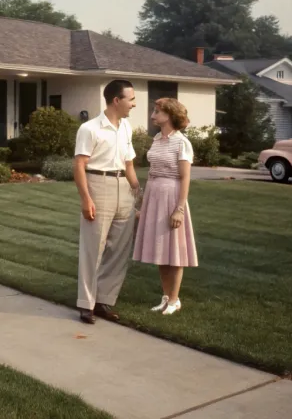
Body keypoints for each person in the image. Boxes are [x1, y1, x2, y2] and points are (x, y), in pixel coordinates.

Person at [73, 80, 140, 324]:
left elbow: (130, 164)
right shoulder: (90, 129)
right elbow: (79, 165)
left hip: (123, 187)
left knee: (119, 250)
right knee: (93, 249)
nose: (134, 104)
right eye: (131, 99)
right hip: (98, 186)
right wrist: (86, 198)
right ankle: (86, 304)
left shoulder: (126, 128)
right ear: (116, 100)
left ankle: (104, 301)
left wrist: (138, 195)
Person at [133, 97, 198, 315]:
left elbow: (185, 177)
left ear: (169, 115)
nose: (153, 115)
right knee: (160, 250)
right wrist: (142, 203)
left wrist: (179, 209)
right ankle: (165, 296)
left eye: (157, 111)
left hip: (172, 195)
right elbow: (151, 172)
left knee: (175, 250)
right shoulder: (156, 139)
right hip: (154, 194)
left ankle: (174, 300)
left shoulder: (182, 143)